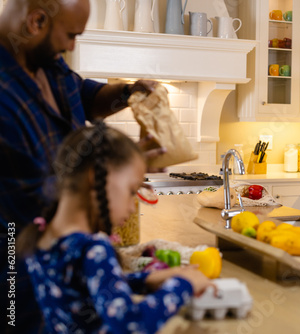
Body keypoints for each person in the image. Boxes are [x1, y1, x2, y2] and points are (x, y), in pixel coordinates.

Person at [0, 1, 161, 332]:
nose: (72, 46)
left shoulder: (45, 62)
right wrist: (119, 170)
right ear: (36, 22)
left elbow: (85, 96)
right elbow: (36, 198)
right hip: (16, 266)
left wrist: (130, 93)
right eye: (71, 35)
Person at [16, 122, 213, 333]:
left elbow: (92, 284)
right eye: (131, 191)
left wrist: (145, 279)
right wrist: (184, 284)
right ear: (95, 177)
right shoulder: (92, 248)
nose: (132, 207)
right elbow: (131, 323)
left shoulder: (41, 237)